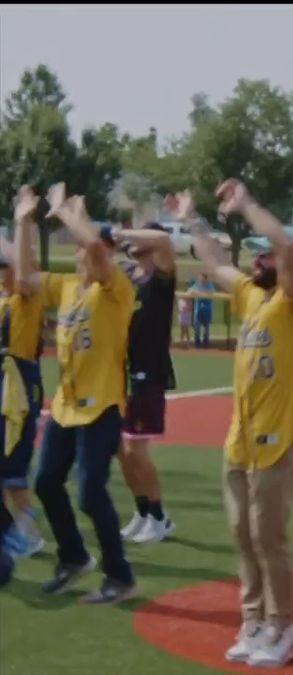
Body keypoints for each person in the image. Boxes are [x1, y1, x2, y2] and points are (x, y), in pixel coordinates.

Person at [179, 182, 293, 668]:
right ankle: (254, 619)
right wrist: (194, 220)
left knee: (269, 538)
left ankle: (284, 626)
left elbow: (282, 246)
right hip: (240, 442)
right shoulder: (252, 299)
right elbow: (215, 262)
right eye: (253, 255)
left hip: (279, 444)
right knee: (242, 534)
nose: (256, 261)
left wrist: (247, 206)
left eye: (263, 256)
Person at [18, 184, 138, 604]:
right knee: (47, 482)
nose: (89, 252)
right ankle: (73, 558)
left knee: (90, 492)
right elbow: (26, 278)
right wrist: (23, 221)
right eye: (90, 247)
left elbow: (98, 249)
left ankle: (119, 576)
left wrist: (66, 212)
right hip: (67, 408)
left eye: (98, 248)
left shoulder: (115, 291)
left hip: (101, 406)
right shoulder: (68, 287)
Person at [114, 222, 178, 545]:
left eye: (143, 235)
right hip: (119, 372)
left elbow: (165, 240)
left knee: (135, 449)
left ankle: (159, 516)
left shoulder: (161, 278)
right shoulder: (127, 276)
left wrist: (124, 233)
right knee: (121, 452)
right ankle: (141, 511)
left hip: (147, 372)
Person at [0, 187, 47, 561]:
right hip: (4, 386)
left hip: (18, 389)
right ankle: (10, 534)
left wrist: (23, 221)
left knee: (13, 474)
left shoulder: (26, 298)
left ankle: (29, 534)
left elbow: (26, 271)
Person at [189, 273, 215, 348]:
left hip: (207, 309)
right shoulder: (197, 285)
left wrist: (201, 293)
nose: (202, 280)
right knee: (197, 326)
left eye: (203, 278)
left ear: (206, 279)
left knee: (206, 327)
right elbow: (190, 291)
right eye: (201, 278)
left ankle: (206, 342)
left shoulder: (210, 285)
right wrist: (196, 293)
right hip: (199, 310)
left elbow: (212, 292)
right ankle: (197, 341)